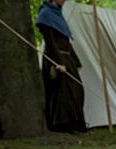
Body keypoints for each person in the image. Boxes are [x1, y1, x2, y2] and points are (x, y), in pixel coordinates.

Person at [36, 0, 86, 133]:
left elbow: (66, 41)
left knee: (77, 90)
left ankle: (76, 124)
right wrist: (58, 63)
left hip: (67, 58)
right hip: (55, 58)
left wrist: (75, 61)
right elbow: (51, 42)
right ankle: (63, 125)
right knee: (63, 93)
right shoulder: (46, 14)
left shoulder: (58, 14)